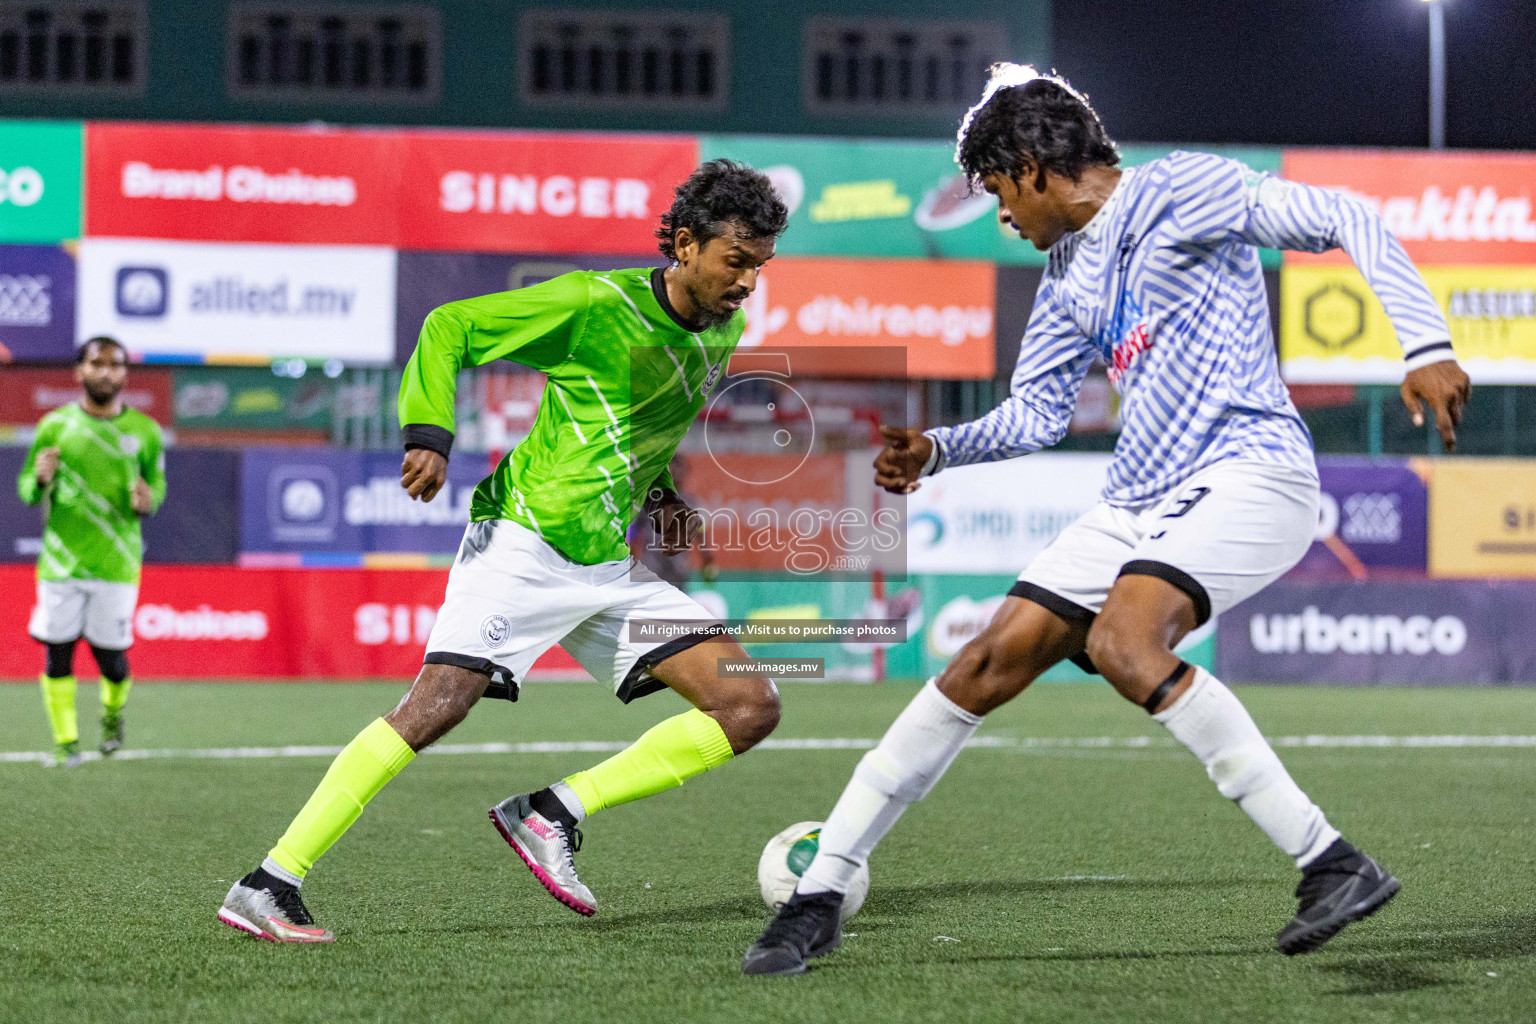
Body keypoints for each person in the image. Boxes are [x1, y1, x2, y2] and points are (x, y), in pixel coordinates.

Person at [742, 65, 1471, 976]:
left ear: (1035, 166)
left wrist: (1429, 344)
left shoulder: (1183, 188)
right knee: (979, 663)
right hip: (1137, 504)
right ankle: (819, 897)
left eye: (1002, 191)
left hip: (1251, 474)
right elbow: (1037, 417)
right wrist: (937, 449)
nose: (1002, 216)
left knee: (1128, 645)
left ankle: (1330, 860)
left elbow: (1351, 218)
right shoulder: (1065, 274)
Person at [219, 160, 789, 942]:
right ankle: (269, 881)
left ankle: (552, 811)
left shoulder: (724, 328)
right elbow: (450, 325)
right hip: (523, 541)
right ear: (686, 244)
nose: (749, 282)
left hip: (604, 564)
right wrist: (428, 435)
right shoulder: (596, 303)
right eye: (737, 261)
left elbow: (641, 426)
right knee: (433, 709)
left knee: (748, 705)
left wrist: (665, 502)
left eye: (760, 266)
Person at [18, 336, 165, 767]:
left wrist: (148, 499)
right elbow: (27, 488)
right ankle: (66, 743)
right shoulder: (55, 425)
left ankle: (112, 714)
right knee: (57, 652)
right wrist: (41, 479)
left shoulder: (144, 431)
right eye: (96, 363)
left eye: (115, 364)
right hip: (61, 563)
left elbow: (157, 485)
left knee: (112, 661)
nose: (105, 371)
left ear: (124, 374)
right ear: (79, 371)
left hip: (117, 562)